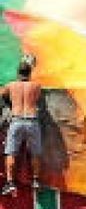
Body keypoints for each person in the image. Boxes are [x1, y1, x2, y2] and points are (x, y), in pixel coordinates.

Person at [0, 54, 43, 195]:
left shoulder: (11, 85)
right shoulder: (36, 86)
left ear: (18, 73)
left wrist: (8, 104)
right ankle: (36, 180)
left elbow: (2, 94)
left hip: (17, 120)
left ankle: (10, 183)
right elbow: (37, 99)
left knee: (10, 152)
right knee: (35, 153)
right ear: (30, 72)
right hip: (32, 121)